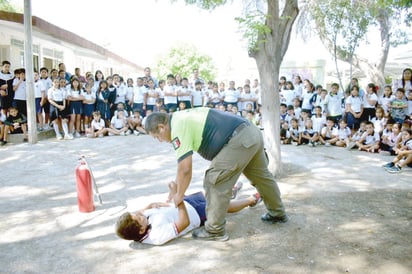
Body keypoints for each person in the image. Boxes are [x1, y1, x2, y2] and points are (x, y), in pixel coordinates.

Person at [144, 108, 287, 242]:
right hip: (251, 133)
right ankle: (277, 213)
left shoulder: (177, 127)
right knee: (262, 178)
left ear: (162, 127)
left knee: (214, 181)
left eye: (157, 137)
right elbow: (182, 169)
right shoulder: (181, 117)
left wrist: (179, 195)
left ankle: (214, 230)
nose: (160, 140)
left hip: (238, 140)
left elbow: (185, 169)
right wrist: (176, 189)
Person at [115, 181, 262, 245]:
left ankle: (229, 192)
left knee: (211, 193)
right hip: (196, 214)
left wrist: (150, 205)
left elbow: (139, 213)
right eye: (139, 218)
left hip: (186, 202)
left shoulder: (140, 223)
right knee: (224, 206)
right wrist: (178, 200)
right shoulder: (156, 236)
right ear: (141, 230)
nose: (141, 214)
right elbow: (183, 222)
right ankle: (251, 200)